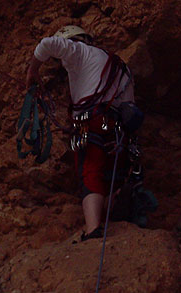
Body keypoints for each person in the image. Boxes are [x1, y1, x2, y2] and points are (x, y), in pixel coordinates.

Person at [26, 25, 136, 241]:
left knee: (90, 169)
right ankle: (112, 206)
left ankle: (93, 229)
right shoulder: (121, 66)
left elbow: (48, 44)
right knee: (112, 171)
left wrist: (33, 70)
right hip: (116, 126)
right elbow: (129, 106)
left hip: (90, 120)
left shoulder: (79, 51)